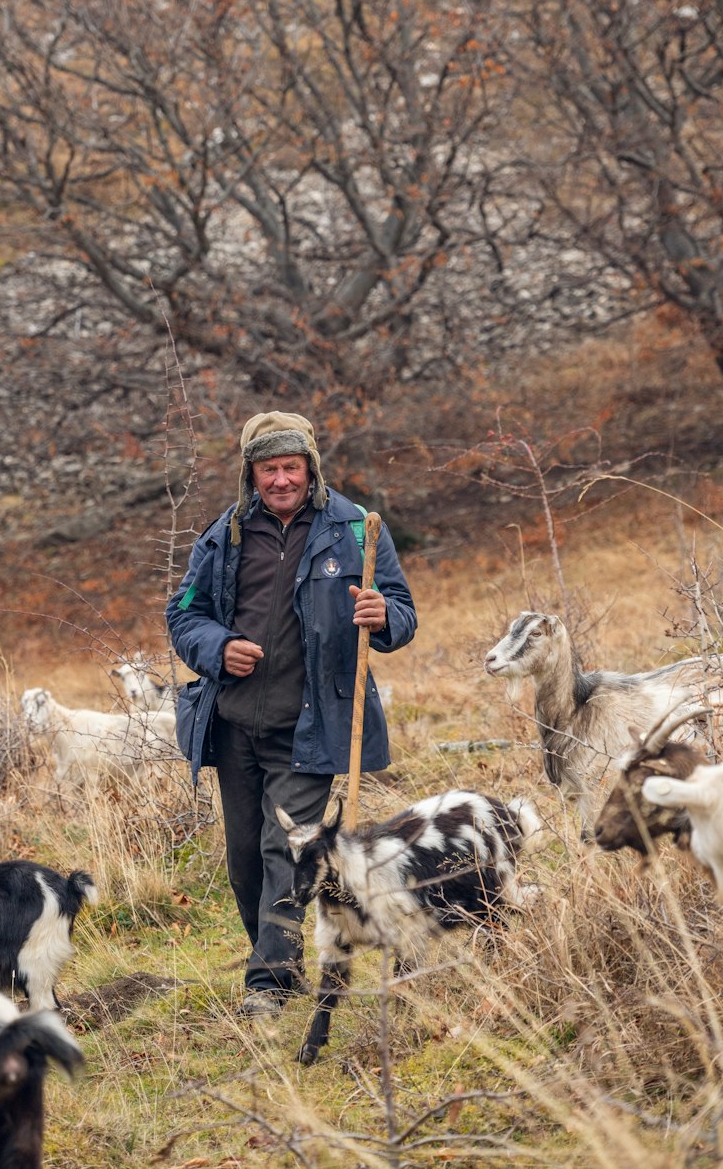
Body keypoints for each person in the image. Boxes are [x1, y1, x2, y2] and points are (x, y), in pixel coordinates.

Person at [166, 411, 417, 1019]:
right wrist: (217, 647)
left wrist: (383, 617)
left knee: (285, 849)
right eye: (268, 468)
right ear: (251, 474)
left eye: (290, 467)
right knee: (245, 860)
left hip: (312, 726)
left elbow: (403, 613)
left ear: (310, 468)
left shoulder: (356, 530)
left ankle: (269, 985)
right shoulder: (224, 534)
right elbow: (184, 614)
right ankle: (280, 964)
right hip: (232, 725)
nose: (280, 480)